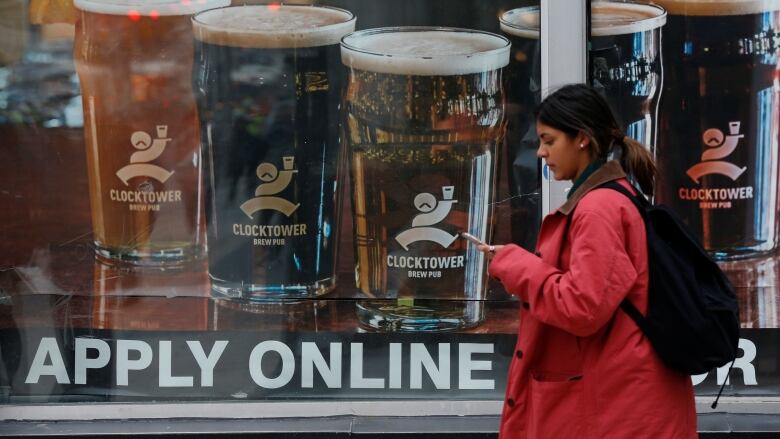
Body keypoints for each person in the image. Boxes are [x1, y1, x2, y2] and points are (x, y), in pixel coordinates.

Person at [478, 84, 697, 438]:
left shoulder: (598, 209)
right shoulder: (613, 198)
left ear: (581, 138)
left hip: (616, 407)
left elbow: (583, 306)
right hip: (620, 397)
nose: (542, 153)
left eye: (549, 141)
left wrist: (514, 264)